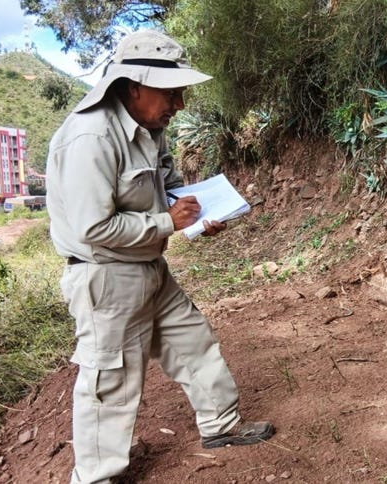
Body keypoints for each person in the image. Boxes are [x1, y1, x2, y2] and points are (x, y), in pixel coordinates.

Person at [45, 29, 274, 483]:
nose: (179, 104)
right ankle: (95, 478)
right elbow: (94, 228)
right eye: (171, 93)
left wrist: (199, 213)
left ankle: (221, 426)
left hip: (149, 267)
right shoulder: (90, 137)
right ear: (133, 85)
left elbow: (164, 190)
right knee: (109, 381)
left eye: (181, 92)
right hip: (106, 277)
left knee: (193, 342)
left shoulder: (149, 128)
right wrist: (170, 222)